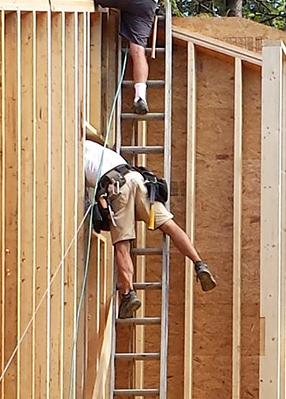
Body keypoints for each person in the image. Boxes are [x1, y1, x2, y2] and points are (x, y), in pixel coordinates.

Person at [85, 128, 216, 319]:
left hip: (117, 188)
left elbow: (87, 196)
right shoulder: (99, 150)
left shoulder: (76, 155)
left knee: (122, 245)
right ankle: (199, 263)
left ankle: (129, 294)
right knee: (169, 224)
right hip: (139, 180)